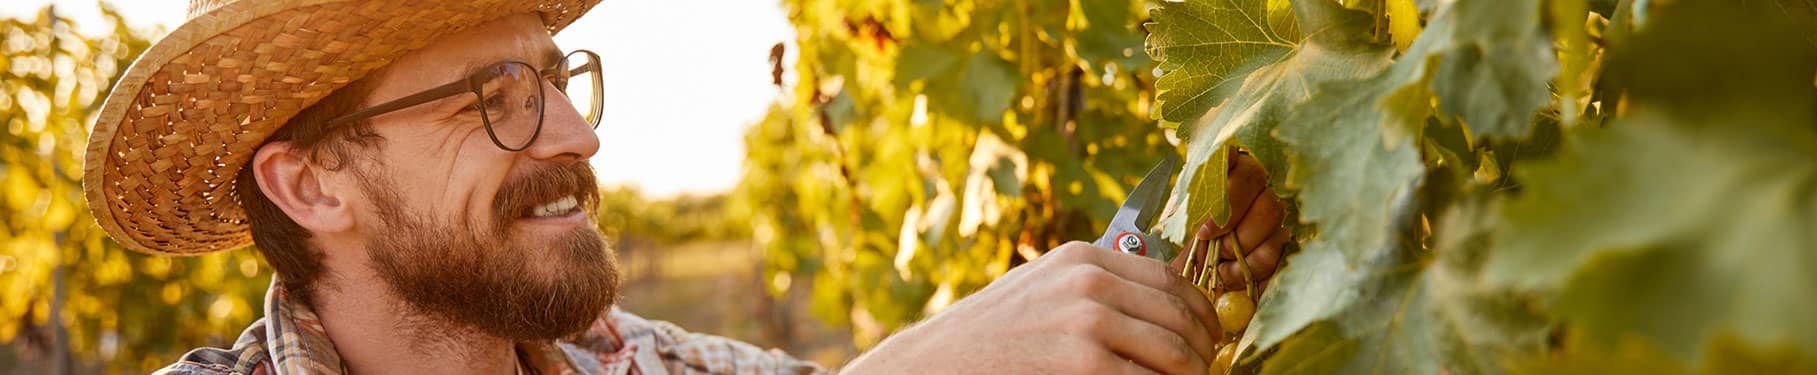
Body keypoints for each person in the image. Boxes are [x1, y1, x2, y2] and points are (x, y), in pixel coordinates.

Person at [82, 0, 1291, 373]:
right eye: (492, 98)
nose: (574, 134)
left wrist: (1154, 266)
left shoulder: (656, 363)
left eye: (557, 80)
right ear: (311, 184)